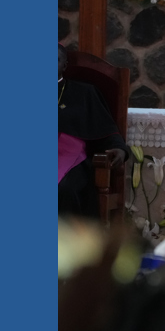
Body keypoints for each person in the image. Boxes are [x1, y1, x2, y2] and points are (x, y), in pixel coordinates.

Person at [58, 44, 128, 218]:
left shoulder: (84, 93)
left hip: (72, 160)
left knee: (64, 189)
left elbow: (106, 129)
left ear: (64, 65)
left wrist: (119, 149)